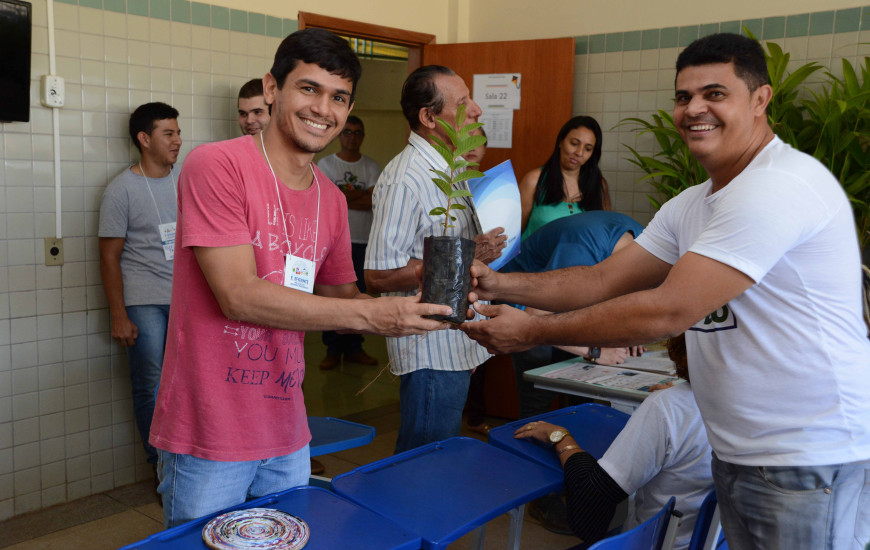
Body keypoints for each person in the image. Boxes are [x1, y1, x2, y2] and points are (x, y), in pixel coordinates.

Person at [461, 33, 870, 549]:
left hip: (807, 456)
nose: (694, 109)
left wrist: (532, 330)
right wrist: (499, 281)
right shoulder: (693, 203)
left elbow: (668, 309)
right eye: (683, 97)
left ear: (761, 100)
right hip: (740, 450)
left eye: (715, 94)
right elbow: (602, 280)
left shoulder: (779, 184)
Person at [148, 29, 452, 528]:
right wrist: (376, 313)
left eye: (339, 97)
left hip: (289, 430)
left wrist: (421, 298)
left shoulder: (330, 199)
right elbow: (238, 296)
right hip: (209, 430)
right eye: (308, 88)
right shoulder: (217, 165)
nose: (324, 109)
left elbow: (341, 299)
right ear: (272, 88)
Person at [365, 65, 507, 454]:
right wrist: (460, 256)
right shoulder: (405, 178)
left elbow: (457, 254)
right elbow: (376, 277)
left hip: (454, 339)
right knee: (424, 461)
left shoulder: (449, 169)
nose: (476, 109)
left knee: (437, 456)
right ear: (428, 117)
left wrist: (476, 254)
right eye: (462, 104)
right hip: (428, 346)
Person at [514, 335, 712, 550]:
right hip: (711, 540)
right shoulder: (748, 404)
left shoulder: (667, 407)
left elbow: (592, 496)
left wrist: (561, 438)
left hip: (654, 542)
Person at [98, 102, 182, 469]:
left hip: (187, 300)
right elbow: (108, 257)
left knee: (187, 384)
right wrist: (119, 315)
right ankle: (160, 466)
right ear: (144, 139)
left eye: (178, 132)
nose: (178, 140)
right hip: (144, 302)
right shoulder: (121, 189)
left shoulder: (189, 179)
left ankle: (188, 461)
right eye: (169, 133)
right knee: (150, 385)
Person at [503, 211, 646, 420]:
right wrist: (595, 351)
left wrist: (635, 334)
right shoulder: (580, 252)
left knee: (582, 399)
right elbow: (533, 321)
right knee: (538, 405)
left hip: (566, 304)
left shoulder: (645, 243)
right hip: (525, 308)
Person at [316, 115, 381, 370]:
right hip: (332, 242)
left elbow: (372, 202)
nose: (352, 137)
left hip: (363, 240)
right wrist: (359, 195)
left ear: (362, 136)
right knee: (331, 297)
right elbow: (326, 202)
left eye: (357, 132)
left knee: (357, 294)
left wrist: (343, 196)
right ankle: (332, 349)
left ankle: (355, 348)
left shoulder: (372, 166)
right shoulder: (325, 164)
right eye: (347, 132)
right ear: (339, 135)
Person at [519, 115, 611, 240]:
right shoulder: (534, 180)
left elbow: (604, 235)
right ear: (560, 142)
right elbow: (514, 234)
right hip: (534, 259)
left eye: (588, 149)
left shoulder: (599, 185)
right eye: (574, 143)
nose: (579, 153)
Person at [460, 126, 490, 436]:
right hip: (456, 281)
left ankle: (476, 413)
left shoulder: (488, 185)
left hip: (485, 280)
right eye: (466, 141)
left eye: (478, 143)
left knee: (481, 351)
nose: (472, 148)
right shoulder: (447, 185)